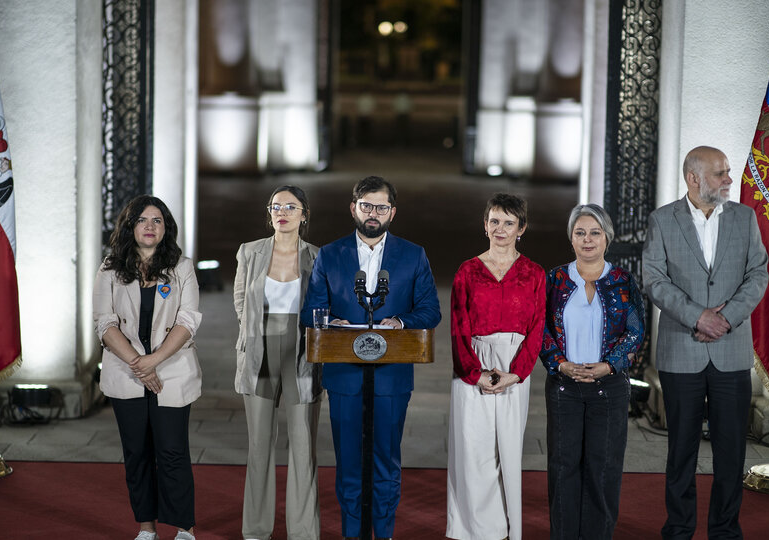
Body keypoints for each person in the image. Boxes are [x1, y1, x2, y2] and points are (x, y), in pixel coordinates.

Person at [301, 175, 441, 540]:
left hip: (392, 376)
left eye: (381, 206)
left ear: (392, 211)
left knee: (386, 460)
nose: (373, 213)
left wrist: (402, 321)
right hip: (344, 376)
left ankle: (384, 532)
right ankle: (352, 534)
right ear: (354, 208)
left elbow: (430, 310)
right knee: (348, 460)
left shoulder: (413, 254)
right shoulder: (330, 254)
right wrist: (331, 321)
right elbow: (311, 310)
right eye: (366, 206)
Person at [642, 146, 768, 540]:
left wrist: (724, 319)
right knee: (681, 451)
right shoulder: (662, 221)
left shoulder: (745, 219)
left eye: (728, 171)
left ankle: (725, 531)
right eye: (720, 173)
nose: (729, 179)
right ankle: (678, 530)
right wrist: (698, 316)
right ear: (693, 179)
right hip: (682, 353)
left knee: (732, 453)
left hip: (731, 352)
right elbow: (653, 279)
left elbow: (758, 274)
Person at [93, 195, 202, 540]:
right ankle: (147, 527)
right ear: (130, 226)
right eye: (142, 220)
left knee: (172, 452)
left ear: (166, 227)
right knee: (137, 453)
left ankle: (184, 528)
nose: (150, 226)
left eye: (157, 220)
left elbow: (188, 319)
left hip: (171, 370)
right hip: (126, 372)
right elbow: (104, 321)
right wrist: (138, 364)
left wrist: (153, 362)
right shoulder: (110, 268)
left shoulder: (181, 266)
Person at [541, 204, 645, 540]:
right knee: (563, 468)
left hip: (609, 389)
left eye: (594, 233)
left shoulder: (623, 280)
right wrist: (560, 363)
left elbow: (636, 330)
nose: (587, 240)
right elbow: (539, 329)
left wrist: (609, 364)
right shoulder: (554, 279)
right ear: (571, 238)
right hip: (563, 387)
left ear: (607, 238)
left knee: (603, 469)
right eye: (580, 232)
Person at [446, 194, 547, 540]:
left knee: (507, 450)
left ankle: (507, 528)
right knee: (473, 451)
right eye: (494, 221)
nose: (500, 229)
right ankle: (473, 529)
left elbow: (537, 328)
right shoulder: (467, 271)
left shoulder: (534, 273)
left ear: (521, 228)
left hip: (514, 369)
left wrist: (516, 373)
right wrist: (475, 373)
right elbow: (458, 326)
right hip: (474, 365)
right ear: (484, 225)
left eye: (508, 223)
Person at [233, 186, 321, 540]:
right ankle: (256, 530)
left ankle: (302, 531)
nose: (282, 212)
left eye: (291, 206)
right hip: (259, 348)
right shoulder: (250, 251)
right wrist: (251, 332)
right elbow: (241, 298)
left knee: (302, 445)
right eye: (276, 206)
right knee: (259, 444)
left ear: (304, 214)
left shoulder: (317, 255)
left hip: (301, 351)